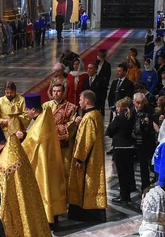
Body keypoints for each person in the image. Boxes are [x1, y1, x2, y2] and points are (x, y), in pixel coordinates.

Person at [19, 96, 68, 224]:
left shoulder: (41, 122)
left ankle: (47, 220)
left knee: (44, 189)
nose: (26, 112)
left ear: (33, 110)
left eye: (27, 110)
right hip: (48, 161)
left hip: (43, 164)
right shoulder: (44, 117)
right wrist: (25, 134)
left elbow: (32, 142)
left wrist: (17, 146)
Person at [68, 90, 107, 222]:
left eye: (80, 99)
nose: (79, 102)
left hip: (88, 160)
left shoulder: (89, 117)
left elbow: (86, 140)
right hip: (94, 157)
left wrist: (80, 159)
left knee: (85, 185)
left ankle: (84, 213)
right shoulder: (96, 114)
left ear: (87, 101)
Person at [43, 82, 79, 187]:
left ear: (63, 93)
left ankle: (65, 196)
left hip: (65, 144)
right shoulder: (46, 106)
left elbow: (72, 124)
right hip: (49, 143)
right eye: (54, 91)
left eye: (58, 91)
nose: (56, 93)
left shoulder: (71, 108)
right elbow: (41, 122)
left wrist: (54, 129)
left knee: (65, 169)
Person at [107, 97, 137, 201]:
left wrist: (114, 118)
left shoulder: (119, 118)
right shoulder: (132, 116)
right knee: (128, 172)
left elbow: (109, 131)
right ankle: (127, 194)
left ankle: (124, 196)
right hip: (130, 146)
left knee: (121, 173)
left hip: (120, 147)